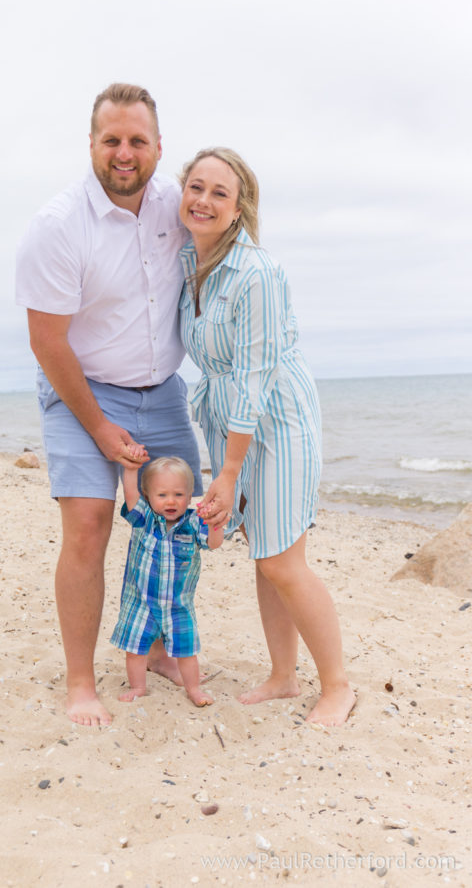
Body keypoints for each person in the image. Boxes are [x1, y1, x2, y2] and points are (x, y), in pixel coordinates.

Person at [15, 84, 202, 727]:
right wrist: (98, 426)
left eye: (137, 141)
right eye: (112, 140)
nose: (125, 153)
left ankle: (154, 651)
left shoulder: (179, 206)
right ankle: (79, 682)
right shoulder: (58, 226)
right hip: (82, 389)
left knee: (177, 526)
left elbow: (229, 251)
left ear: (158, 148)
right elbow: (47, 340)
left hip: (165, 391)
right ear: (91, 144)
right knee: (91, 527)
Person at [177, 147, 356, 726]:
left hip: (275, 419)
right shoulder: (187, 261)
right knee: (264, 552)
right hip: (230, 420)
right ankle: (283, 676)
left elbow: (252, 382)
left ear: (239, 208)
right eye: (196, 187)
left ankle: (338, 685)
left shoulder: (258, 272)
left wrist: (224, 474)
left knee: (283, 559)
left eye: (219, 193)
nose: (203, 200)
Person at [111, 456, 223, 707]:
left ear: (190, 495)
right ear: (148, 495)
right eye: (162, 495)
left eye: (179, 494)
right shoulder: (144, 519)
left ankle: (194, 689)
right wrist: (130, 469)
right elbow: (129, 494)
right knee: (136, 649)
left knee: (187, 650)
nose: (171, 501)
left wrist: (217, 523)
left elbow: (214, 544)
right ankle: (139, 687)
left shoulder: (194, 523)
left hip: (178, 605)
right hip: (141, 602)